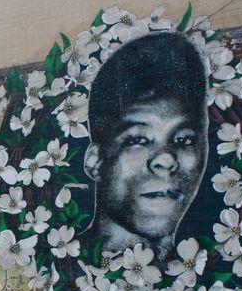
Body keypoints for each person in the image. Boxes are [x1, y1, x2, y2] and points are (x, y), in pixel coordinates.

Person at [84, 31, 208, 262]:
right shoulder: (61, 271)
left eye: (184, 139)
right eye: (138, 139)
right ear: (95, 161)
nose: (166, 160)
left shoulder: (211, 276)